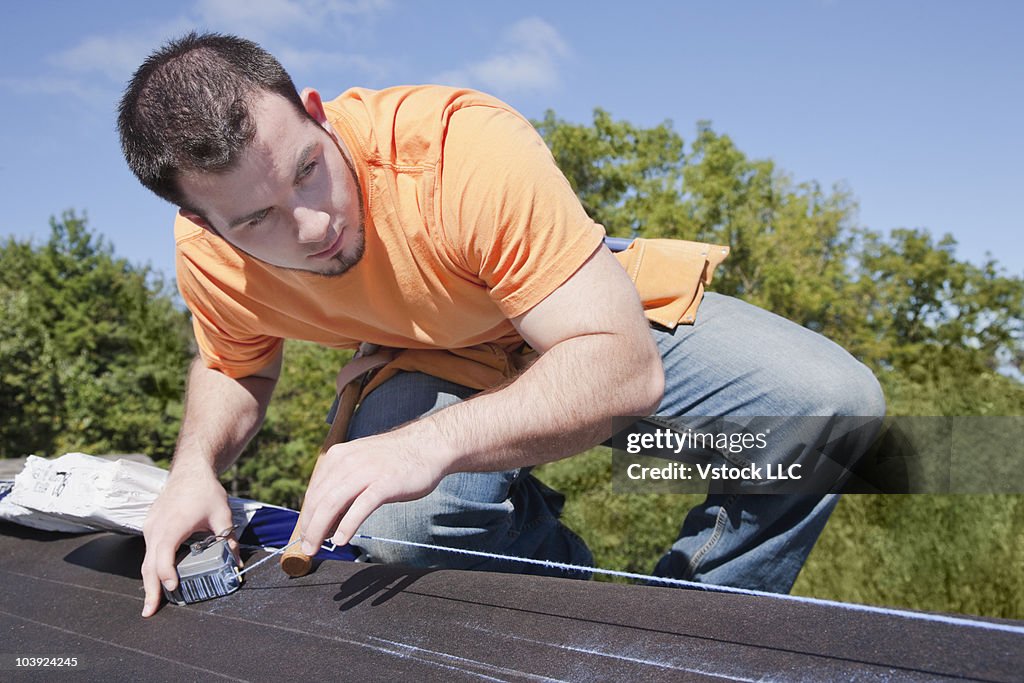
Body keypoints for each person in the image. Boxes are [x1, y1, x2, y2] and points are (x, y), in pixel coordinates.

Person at [118, 32, 886, 618]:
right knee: (402, 523)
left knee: (833, 411)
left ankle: (684, 623)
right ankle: (581, 609)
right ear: (204, 223)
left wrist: (430, 442)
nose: (314, 224)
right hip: (429, 356)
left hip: (574, 318)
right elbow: (233, 364)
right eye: (257, 218)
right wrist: (194, 467)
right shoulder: (212, 260)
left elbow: (622, 368)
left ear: (317, 114)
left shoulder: (460, 149)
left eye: (307, 170)